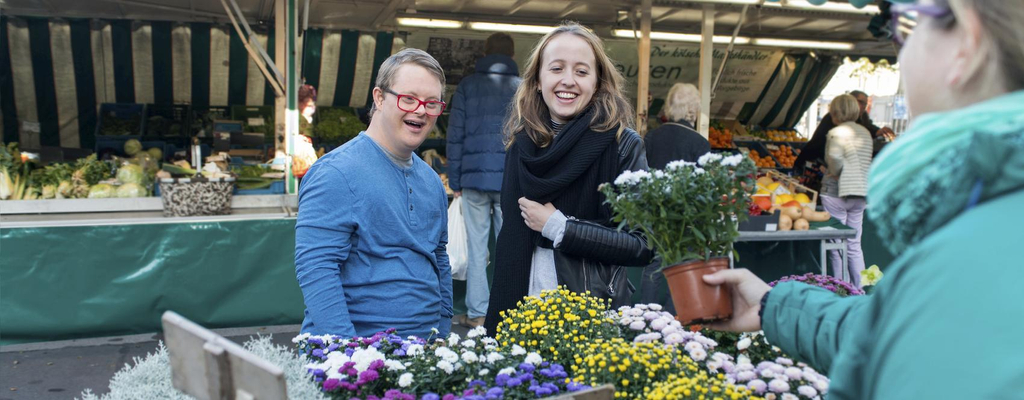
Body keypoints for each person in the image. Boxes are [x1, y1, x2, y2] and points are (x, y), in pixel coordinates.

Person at [703, 0, 1024, 398]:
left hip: (839, 190)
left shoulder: (972, 247)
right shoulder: (979, 222)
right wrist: (774, 306)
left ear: (966, 43)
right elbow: (898, 332)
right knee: (852, 241)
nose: (900, 50)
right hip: (861, 194)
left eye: (905, 24)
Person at [484, 22, 654, 334]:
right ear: (538, 80)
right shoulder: (521, 145)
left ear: (597, 82)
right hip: (521, 313)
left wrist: (561, 227)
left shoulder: (623, 145)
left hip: (590, 319)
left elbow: (642, 244)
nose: (568, 80)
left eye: (581, 71)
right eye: (557, 68)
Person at [294, 49, 454, 339]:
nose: (421, 110)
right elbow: (317, 270)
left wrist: (442, 333)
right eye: (408, 98)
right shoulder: (335, 173)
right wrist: (348, 354)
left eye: (432, 103)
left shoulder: (432, 181)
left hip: (426, 353)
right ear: (379, 98)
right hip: (359, 355)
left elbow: (439, 258)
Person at [446, 33, 522, 328]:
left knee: (477, 249)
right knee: (510, 249)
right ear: (512, 56)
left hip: (474, 179)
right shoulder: (523, 88)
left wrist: (455, 181)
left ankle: (477, 313)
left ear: (484, 54)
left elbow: (455, 135)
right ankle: (508, 312)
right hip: (510, 182)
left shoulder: (467, 85)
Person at [640, 82, 710, 311]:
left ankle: (646, 317)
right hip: (685, 217)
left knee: (653, 267)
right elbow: (704, 189)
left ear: (670, 105)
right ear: (694, 108)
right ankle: (674, 319)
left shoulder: (652, 137)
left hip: (654, 210)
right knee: (681, 267)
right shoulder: (700, 143)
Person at [794, 90, 895, 192]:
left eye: (865, 104)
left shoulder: (861, 120)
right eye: (861, 102)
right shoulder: (834, 121)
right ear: (850, 101)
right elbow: (825, 150)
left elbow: (868, 127)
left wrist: (877, 131)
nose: (863, 106)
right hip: (816, 163)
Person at [819, 94, 873, 286]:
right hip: (860, 193)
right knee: (854, 244)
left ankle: (842, 289)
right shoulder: (865, 133)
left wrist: (836, 172)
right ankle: (860, 288)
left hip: (835, 193)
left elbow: (834, 157)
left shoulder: (837, 132)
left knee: (836, 245)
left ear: (835, 112)